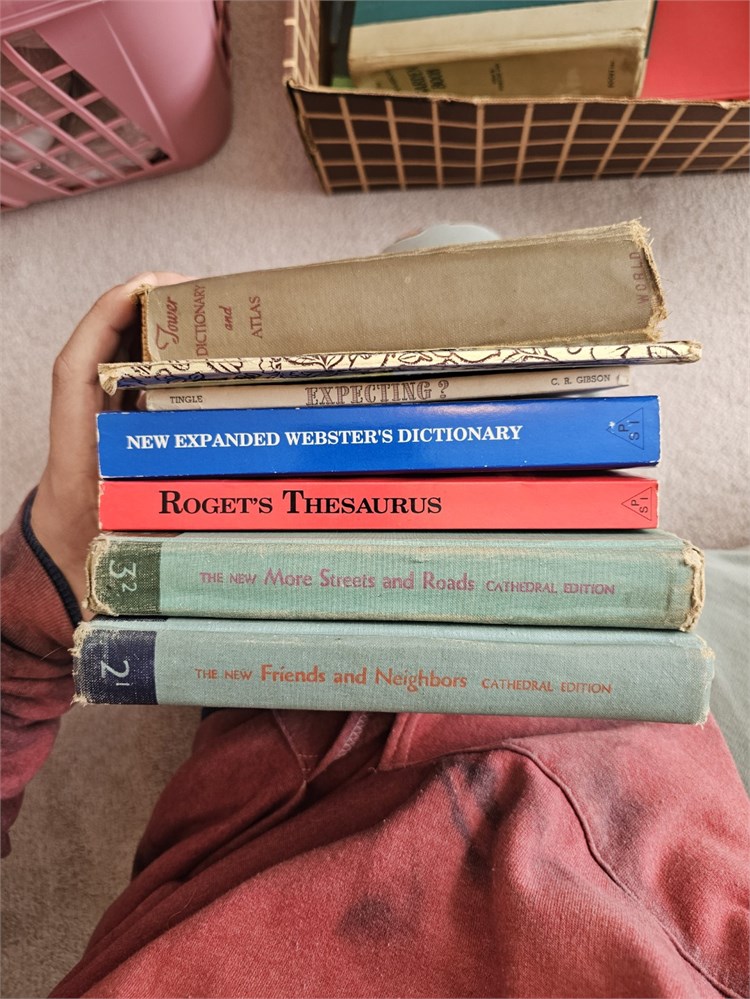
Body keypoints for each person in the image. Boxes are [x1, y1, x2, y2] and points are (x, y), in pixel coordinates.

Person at [2, 278, 748, 999]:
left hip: (278, 737)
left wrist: (50, 586)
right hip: (635, 718)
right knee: (476, 291)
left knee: (450, 285)